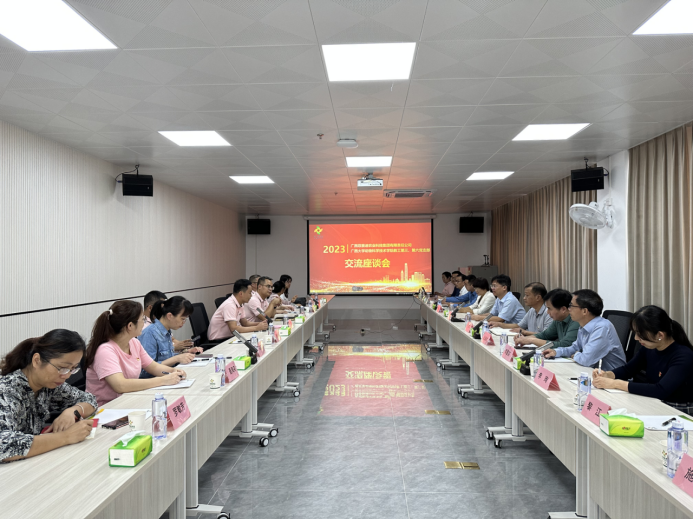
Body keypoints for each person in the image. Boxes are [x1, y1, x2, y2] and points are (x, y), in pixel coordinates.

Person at [0, 330, 98, 462]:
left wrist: (73, 411)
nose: (67, 375)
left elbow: (89, 399)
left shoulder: (49, 385)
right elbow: (3, 445)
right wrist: (66, 437)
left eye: (73, 369)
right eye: (62, 368)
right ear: (36, 360)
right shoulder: (7, 389)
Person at [85, 300, 187, 407]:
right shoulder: (105, 351)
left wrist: (173, 371)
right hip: (106, 408)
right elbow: (120, 385)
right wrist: (162, 380)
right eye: (142, 319)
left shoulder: (134, 342)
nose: (144, 323)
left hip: (127, 402)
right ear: (130, 326)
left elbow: (153, 367)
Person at [593, 306, 693, 412]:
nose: (636, 338)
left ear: (660, 335)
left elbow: (661, 390)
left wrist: (616, 383)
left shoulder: (683, 355)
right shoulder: (650, 348)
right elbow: (628, 370)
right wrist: (608, 375)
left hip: (677, 408)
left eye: (640, 334)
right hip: (654, 400)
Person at [542, 289, 626, 371]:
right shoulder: (583, 326)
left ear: (585, 311)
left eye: (571, 306)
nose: (569, 309)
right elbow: (575, 347)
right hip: (593, 373)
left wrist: (575, 355)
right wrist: (556, 352)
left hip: (613, 377)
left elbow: (586, 360)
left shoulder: (602, 328)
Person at [139, 296, 203, 378]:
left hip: (169, 377)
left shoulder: (167, 331)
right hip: (156, 381)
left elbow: (167, 358)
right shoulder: (150, 333)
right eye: (182, 319)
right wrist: (177, 358)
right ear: (169, 316)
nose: (183, 322)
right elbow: (145, 371)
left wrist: (186, 353)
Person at [515, 289, 580, 349]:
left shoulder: (576, 321)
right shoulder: (558, 319)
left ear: (563, 309)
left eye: (549, 308)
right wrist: (525, 338)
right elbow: (545, 335)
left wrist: (532, 340)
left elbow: (565, 345)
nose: (547, 312)